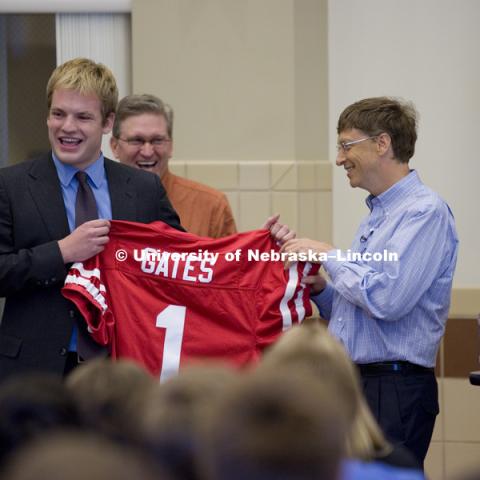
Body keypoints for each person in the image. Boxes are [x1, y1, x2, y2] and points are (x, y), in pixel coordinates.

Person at [282, 97, 459, 468]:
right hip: (362, 384)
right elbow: (365, 311)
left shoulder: (424, 213)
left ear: (382, 144)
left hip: (393, 389)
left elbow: (389, 299)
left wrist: (329, 254)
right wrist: (322, 290)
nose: (339, 159)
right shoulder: (379, 214)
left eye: (346, 145)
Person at [0, 58, 183, 380]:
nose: (67, 127)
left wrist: (263, 250)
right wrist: (61, 252)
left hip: (122, 369)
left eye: (83, 117)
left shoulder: (143, 188)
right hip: (35, 370)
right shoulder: (11, 186)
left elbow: (181, 262)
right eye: (58, 114)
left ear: (108, 122)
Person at [110, 94, 237, 238]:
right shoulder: (97, 200)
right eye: (136, 141)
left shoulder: (211, 206)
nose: (147, 152)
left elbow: (233, 259)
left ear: (171, 146)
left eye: (157, 140)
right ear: (114, 146)